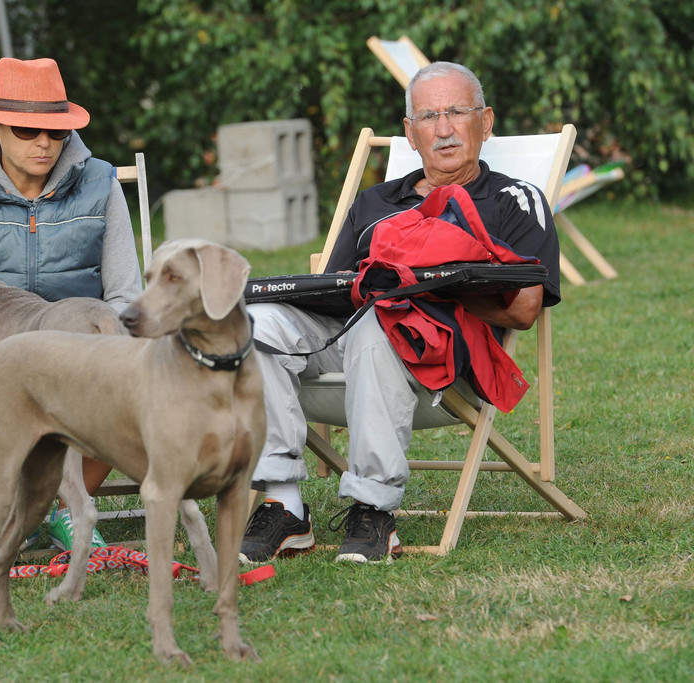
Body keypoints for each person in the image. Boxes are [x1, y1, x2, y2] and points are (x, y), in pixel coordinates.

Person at [239, 62, 561, 564]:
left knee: (379, 318)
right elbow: (340, 288)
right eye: (429, 116)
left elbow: (523, 309)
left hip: (442, 361)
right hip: (347, 342)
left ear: (486, 121)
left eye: (457, 111)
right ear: (410, 134)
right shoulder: (375, 202)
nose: (445, 127)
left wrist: (422, 290)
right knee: (257, 323)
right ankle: (284, 506)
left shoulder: (513, 201)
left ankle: (374, 511)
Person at [0, 57, 143, 551]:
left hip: (78, 347)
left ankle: (63, 508)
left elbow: (125, 291)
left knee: (123, 374)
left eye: (57, 132)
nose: (44, 143)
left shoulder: (101, 183)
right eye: (27, 129)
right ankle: (26, 502)